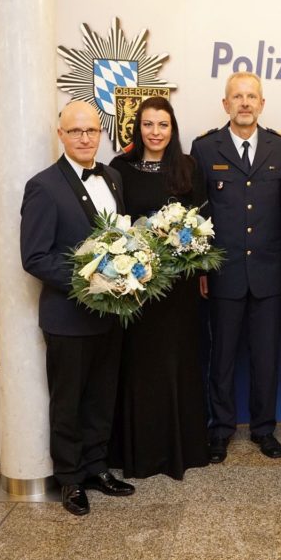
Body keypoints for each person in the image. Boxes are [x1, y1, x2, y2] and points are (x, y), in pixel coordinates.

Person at [20, 100, 135, 515]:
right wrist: (91, 280)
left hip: (112, 316)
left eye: (91, 131)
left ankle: (97, 466)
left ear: (100, 134)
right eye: (75, 132)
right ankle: (69, 480)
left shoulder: (115, 177)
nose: (85, 138)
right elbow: (34, 257)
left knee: (102, 397)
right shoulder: (43, 186)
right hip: (68, 318)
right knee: (68, 401)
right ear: (61, 135)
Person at [191, 72, 281, 462]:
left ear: (262, 104)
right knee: (222, 358)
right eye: (238, 97)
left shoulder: (280, 147)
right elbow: (197, 216)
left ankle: (263, 429)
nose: (245, 103)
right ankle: (220, 430)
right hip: (223, 273)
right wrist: (202, 267)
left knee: (266, 357)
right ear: (226, 104)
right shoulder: (205, 149)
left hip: (269, 271)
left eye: (252, 97)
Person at [107, 96, 210, 480]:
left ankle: (179, 451)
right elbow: (113, 222)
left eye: (163, 125)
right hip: (135, 284)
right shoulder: (119, 168)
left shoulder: (187, 167)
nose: (155, 132)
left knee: (176, 362)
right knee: (140, 365)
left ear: (172, 129)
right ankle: (139, 453)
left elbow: (202, 218)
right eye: (148, 125)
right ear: (138, 128)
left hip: (177, 290)